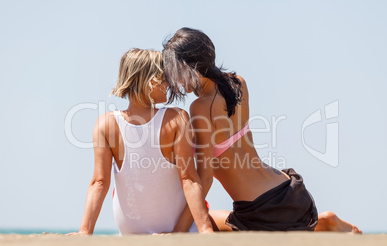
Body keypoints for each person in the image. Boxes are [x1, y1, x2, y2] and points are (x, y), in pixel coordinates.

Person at [162, 27, 362, 233]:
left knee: (204, 220)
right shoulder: (237, 83)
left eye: (176, 72)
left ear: (192, 64)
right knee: (217, 217)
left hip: (263, 208)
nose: (175, 80)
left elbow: (204, 178)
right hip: (291, 190)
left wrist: (178, 232)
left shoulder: (201, 107)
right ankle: (323, 222)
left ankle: (322, 224)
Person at [68, 48, 213, 235]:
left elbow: (99, 182)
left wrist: (84, 231)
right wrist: (204, 230)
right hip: (175, 231)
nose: (170, 83)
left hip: (130, 234)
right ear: (151, 82)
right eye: (166, 78)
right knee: (225, 219)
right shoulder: (176, 118)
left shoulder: (105, 123)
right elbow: (189, 179)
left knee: (222, 218)